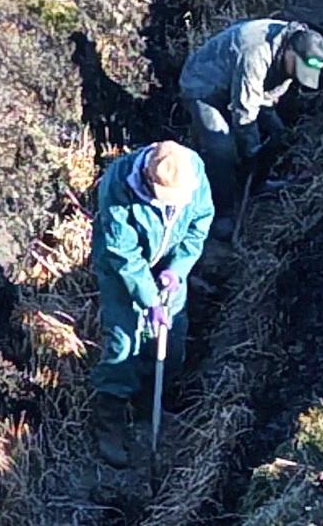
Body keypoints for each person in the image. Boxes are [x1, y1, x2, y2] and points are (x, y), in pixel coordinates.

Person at [89, 140, 214, 466]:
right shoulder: (117, 185)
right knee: (124, 339)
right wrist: (149, 300)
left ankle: (151, 407)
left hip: (168, 266)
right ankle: (111, 417)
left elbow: (199, 226)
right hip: (122, 269)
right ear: (146, 179)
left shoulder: (193, 171)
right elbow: (123, 253)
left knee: (170, 338)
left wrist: (177, 270)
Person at [176, 20, 323, 237]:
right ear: (290, 53)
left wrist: (263, 138)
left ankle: (259, 183)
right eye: (299, 70)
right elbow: (244, 111)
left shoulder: (291, 47)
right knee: (222, 148)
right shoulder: (256, 53)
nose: (298, 76)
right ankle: (223, 212)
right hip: (204, 86)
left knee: (278, 133)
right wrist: (251, 149)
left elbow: (269, 94)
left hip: (245, 86)